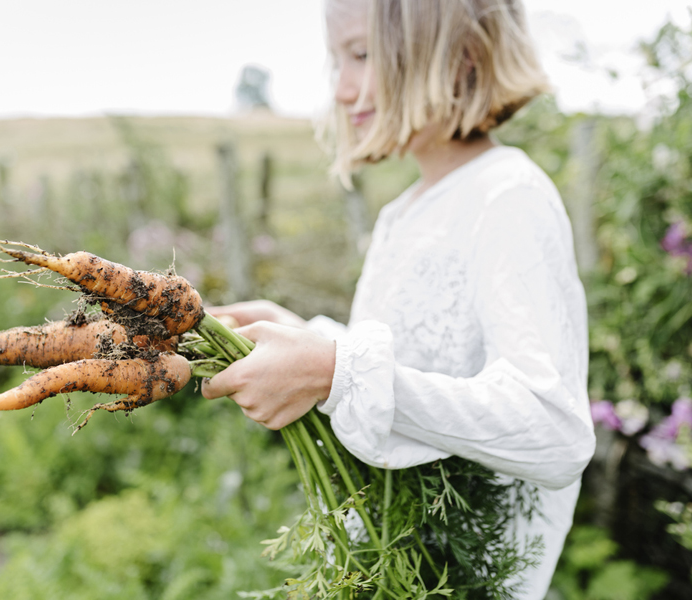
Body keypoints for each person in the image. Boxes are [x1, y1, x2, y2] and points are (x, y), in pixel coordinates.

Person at [201, 0, 597, 597]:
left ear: (459, 52)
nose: (341, 89)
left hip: (467, 582)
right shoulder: (402, 213)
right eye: (336, 62)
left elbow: (554, 429)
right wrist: (305, 334)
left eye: (361, 54)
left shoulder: (508, 197)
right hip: (396, 573)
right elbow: (408, 362)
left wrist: (331, 370)